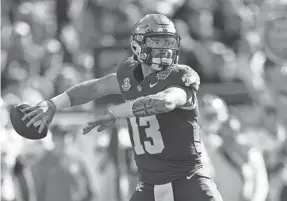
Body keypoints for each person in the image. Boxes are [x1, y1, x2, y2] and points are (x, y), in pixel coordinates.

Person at [21, 14, 223, 201]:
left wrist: (114, 112)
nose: (165, 48)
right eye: (157, 41)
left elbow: (165, 102)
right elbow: (95, 87)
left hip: (188, 181)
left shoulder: (181, 75)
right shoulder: (128, 75)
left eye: (168, 42)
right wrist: (53, 103)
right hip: (149, 186)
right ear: (138, 46)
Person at [199, 94, 269, 201]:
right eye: (208, 116)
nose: (211, 121)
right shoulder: (206, 147)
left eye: (214, 115)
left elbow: (261, 185)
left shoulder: (249, 150)